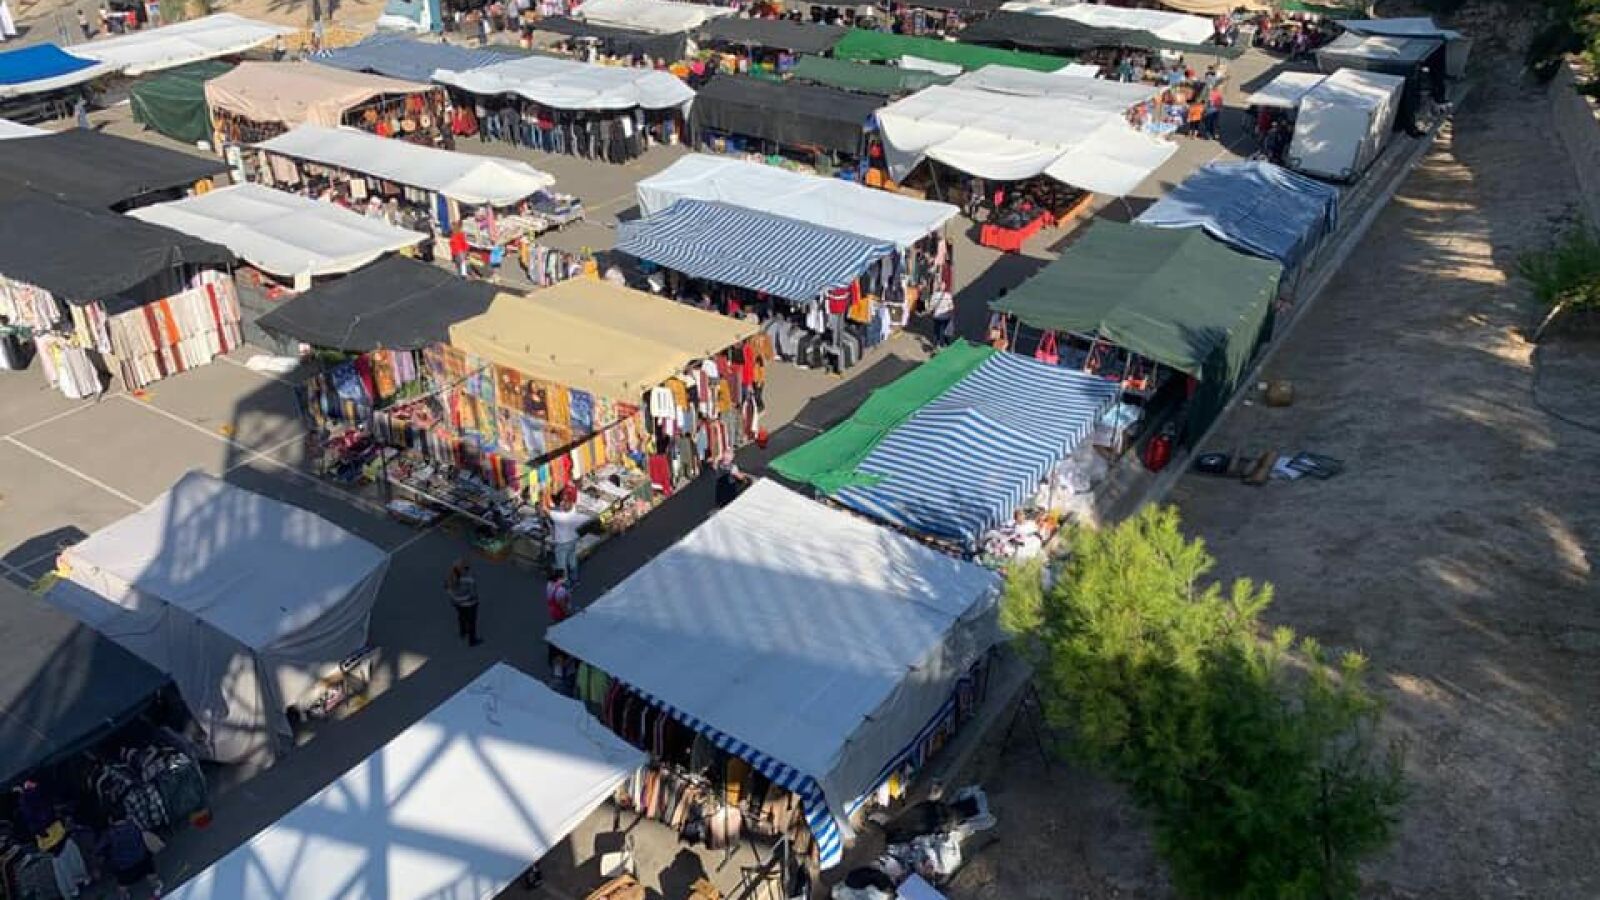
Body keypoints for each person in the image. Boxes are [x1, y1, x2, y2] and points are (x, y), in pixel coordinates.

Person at [99, 815, 162, 899]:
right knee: (150, 873)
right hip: (142, 859)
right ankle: (157, 888)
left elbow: (100, 850)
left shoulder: (109, 834)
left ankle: (124, 897)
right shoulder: (134, 825)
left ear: (110, 820)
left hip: (124, 867)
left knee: (122, 885)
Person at [545, 500, 592, 585]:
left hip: (562, 543)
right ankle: (575, 579)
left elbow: (545, 509)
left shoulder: (561, 517)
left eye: (562, 505)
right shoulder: (575, 514)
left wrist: (542, 497)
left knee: (561, 564)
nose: (561, 506)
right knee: (572, 559)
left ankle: (566, 583)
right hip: (573, 540)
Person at [446, 559, 482, 646]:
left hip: (457, 603)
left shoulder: (451, 578)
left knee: (461, 617)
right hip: (469, 603)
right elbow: (473, 593)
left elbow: (448, 590)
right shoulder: (469, 578)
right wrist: (474, 599)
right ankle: (472, 640)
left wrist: (455, 599)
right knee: (471, 621)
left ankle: (463, 632)